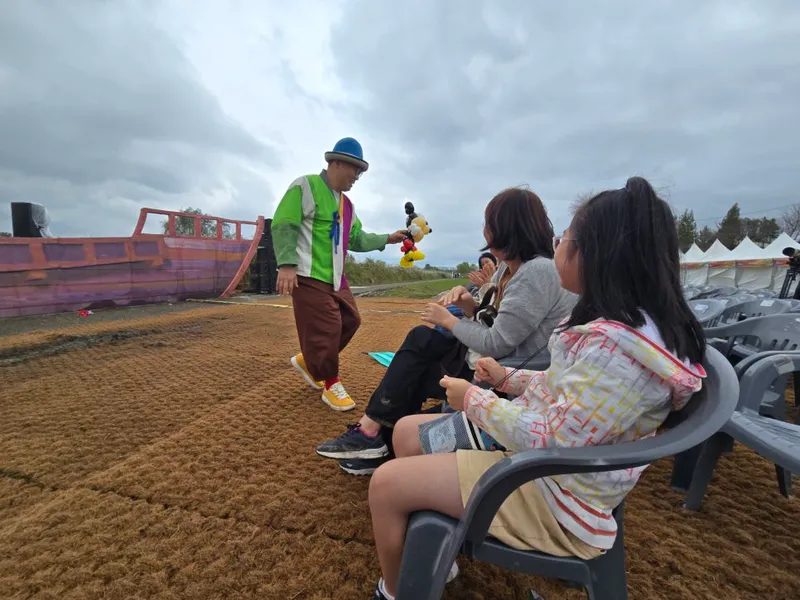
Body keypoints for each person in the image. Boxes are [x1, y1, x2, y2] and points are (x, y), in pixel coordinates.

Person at [365, 176, 707, 599]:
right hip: (551, 470)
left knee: (386, 485)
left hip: (556, 496)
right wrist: (508, 379)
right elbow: (567, 389)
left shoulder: (616, 352)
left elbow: (552, 440)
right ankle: (430, 554)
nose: (556, 245)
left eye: (566, 239)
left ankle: (398, 589)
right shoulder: (622, 334)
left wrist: (473, 399)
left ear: (599, 256)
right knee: (405, 434)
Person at [315, 186, 576, 474]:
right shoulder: (508, 268)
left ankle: (377, 440)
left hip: (504, 375)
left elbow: (497, 342)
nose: (485, 231)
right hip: (490, 364)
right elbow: (497, 322)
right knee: (415, 364)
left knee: (418, 359)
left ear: (508, 229)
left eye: (490, 224)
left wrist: (449, 320)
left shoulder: (536, 272)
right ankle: (374, 437)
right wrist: (468, 306)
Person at [271, 137, 406, 411]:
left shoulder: (348, 205)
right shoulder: (305, 185)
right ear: (336, 163)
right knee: (329, 327)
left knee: (351, 320)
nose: (357, 176)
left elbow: (356, 238)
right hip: (307, 274)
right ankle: (330, 383)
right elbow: (285, 223)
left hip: (336, 277)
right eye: (355, 169)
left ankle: (310, 361)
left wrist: (387, 238)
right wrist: (286, 265)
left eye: (360, 172)